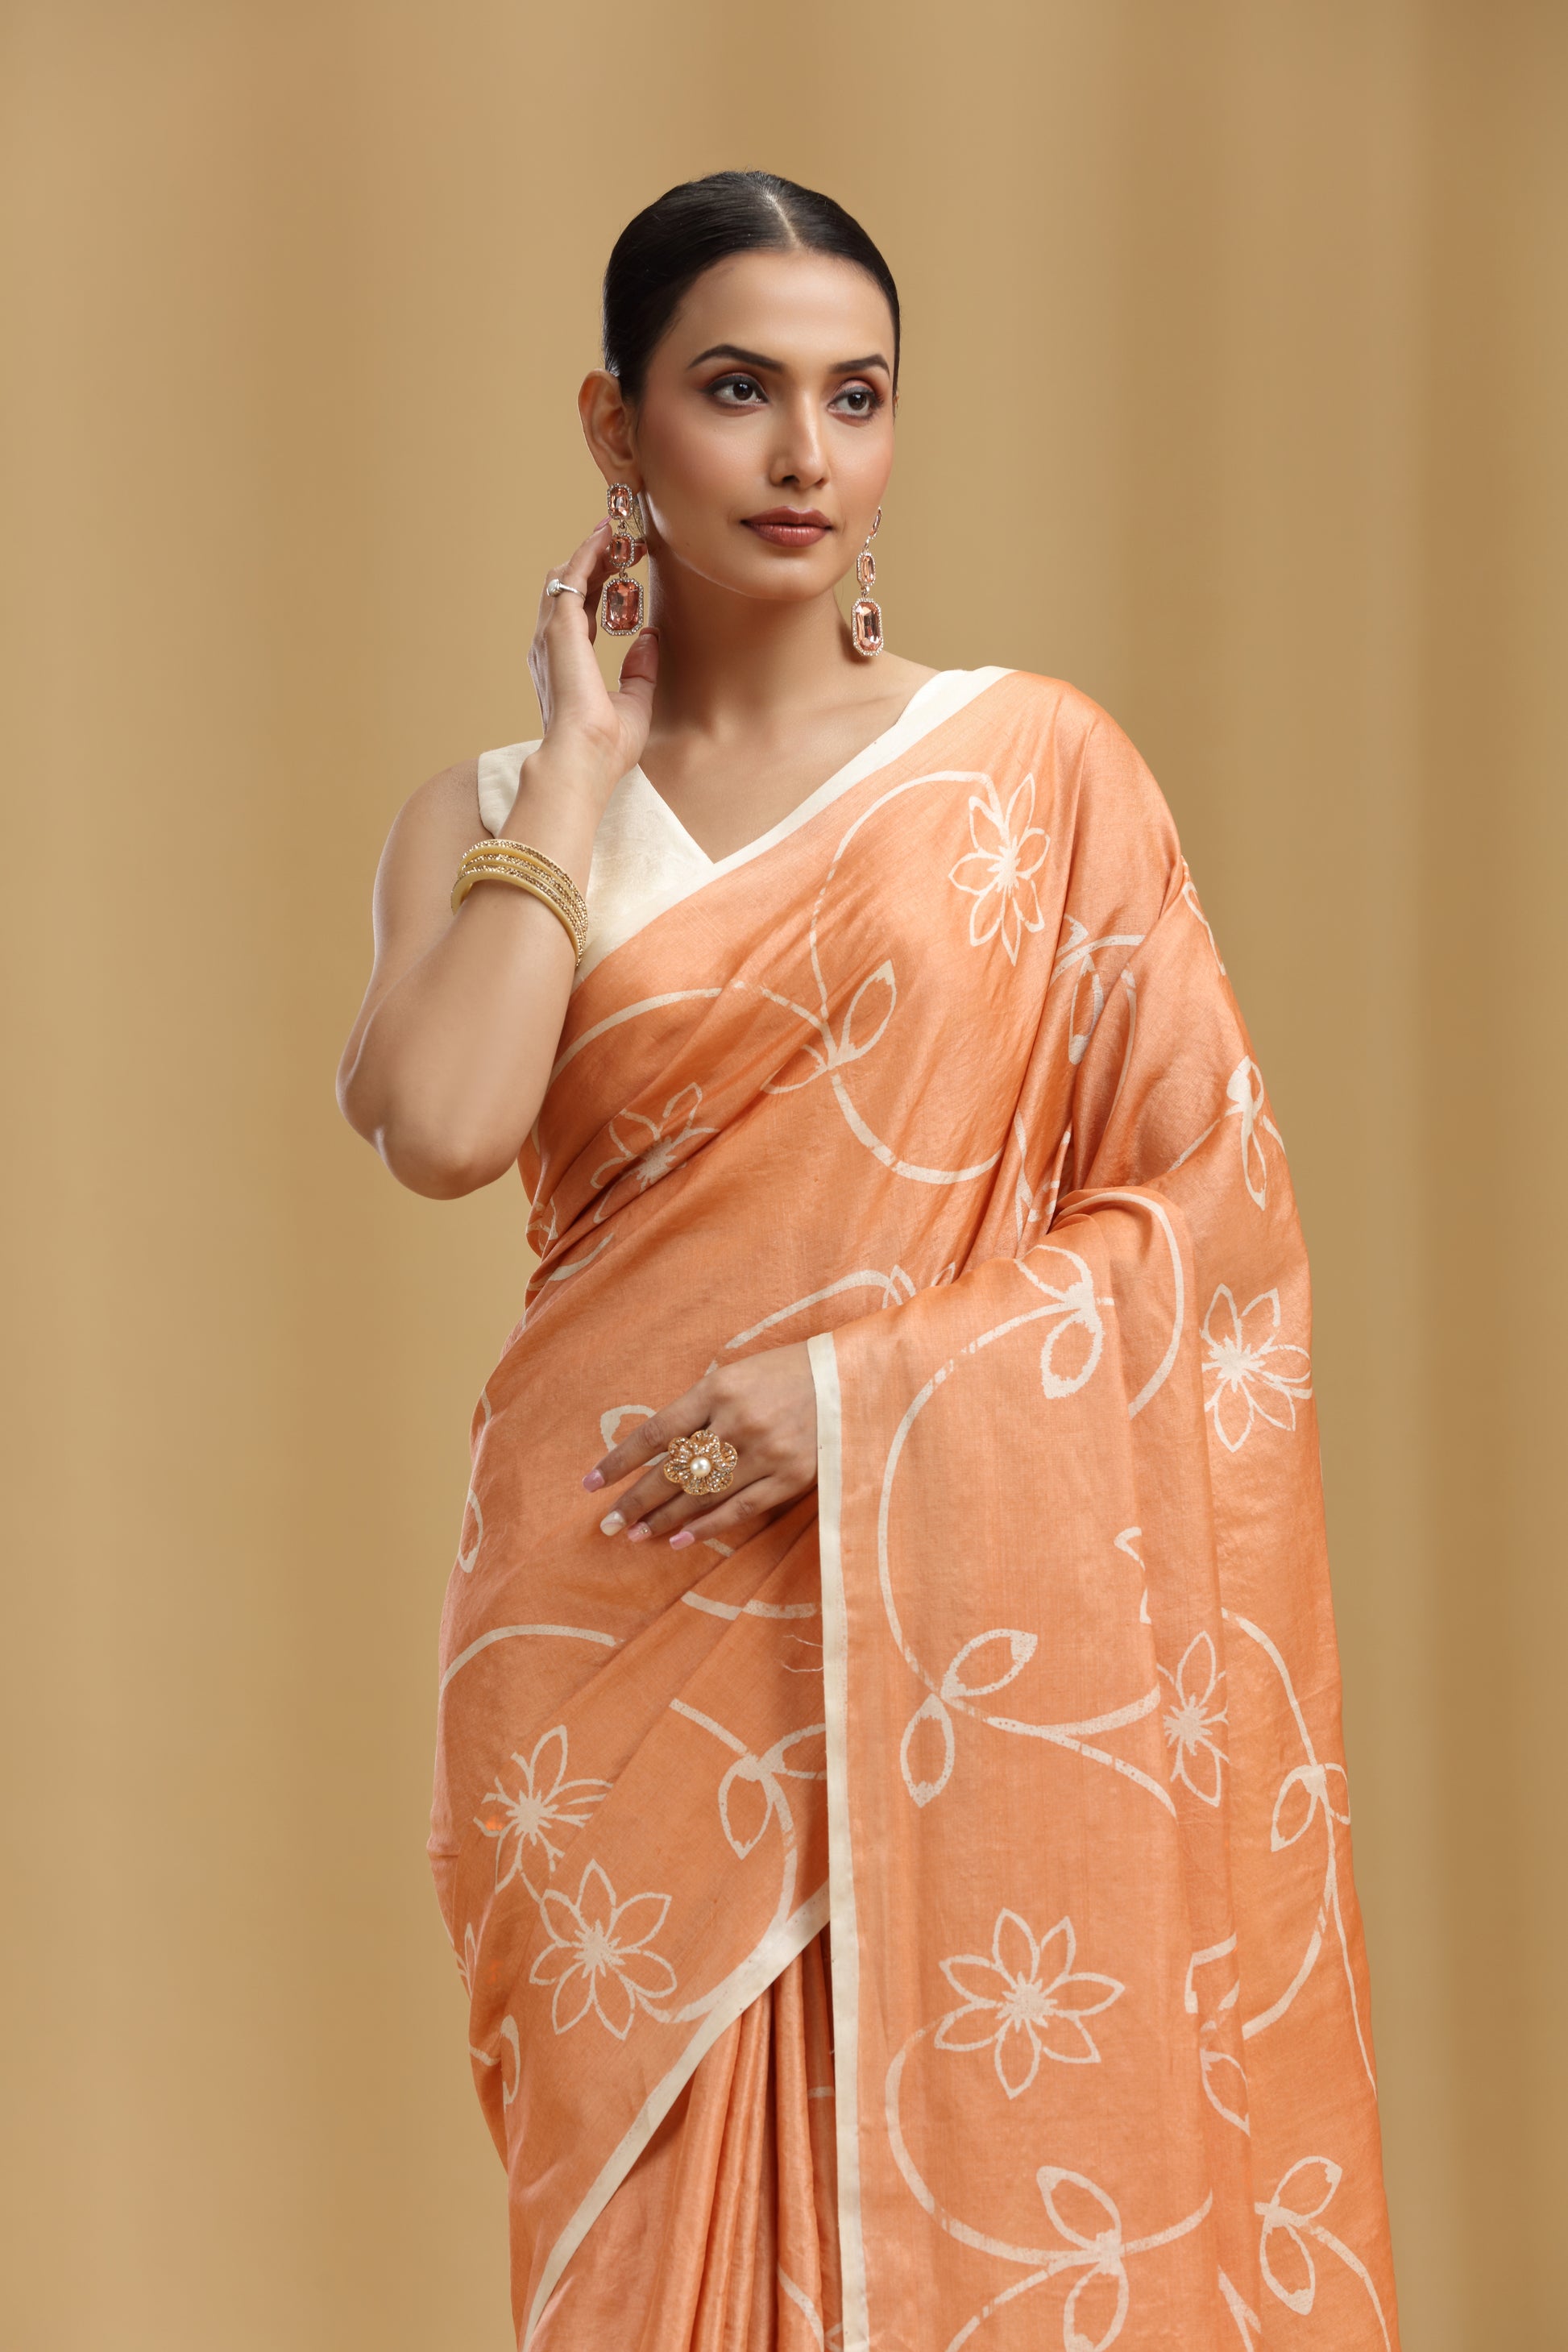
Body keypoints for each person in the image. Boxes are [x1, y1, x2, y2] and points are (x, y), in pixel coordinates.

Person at [338, 171, 1399, 2352]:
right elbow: (441, 1129)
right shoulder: (488, 812)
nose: (806, 454)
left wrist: (860, 1396)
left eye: (856, 395)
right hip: (606, 1613)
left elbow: (1210, 1217)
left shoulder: (1031, 773)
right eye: (736, 391)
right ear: (614, 428)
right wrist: (583, 765)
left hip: (953, 1616)